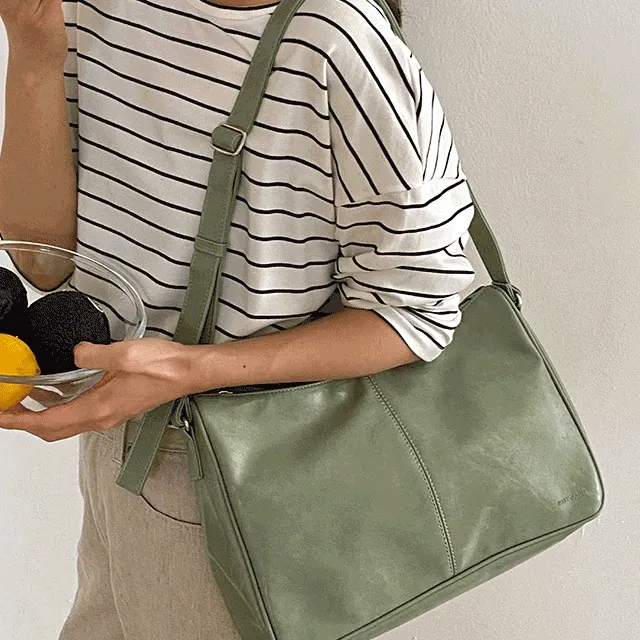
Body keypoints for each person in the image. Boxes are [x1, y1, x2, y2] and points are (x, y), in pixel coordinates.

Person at [0, 0, 476, 637]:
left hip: (233, 467)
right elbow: (42, 263)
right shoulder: (91, 8)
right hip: (113, 437)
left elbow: (418, 312)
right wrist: (33, 50)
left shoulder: (336, 42)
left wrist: (190, 370)